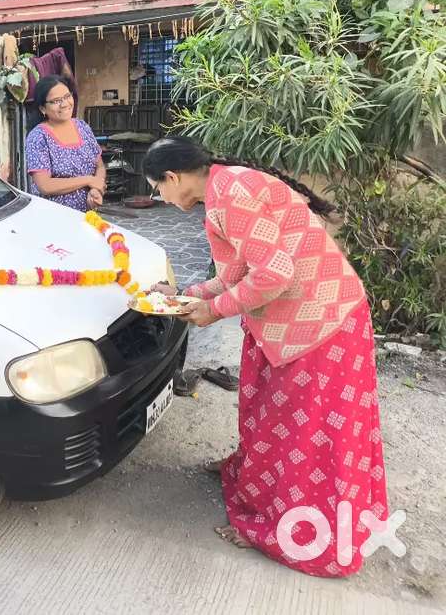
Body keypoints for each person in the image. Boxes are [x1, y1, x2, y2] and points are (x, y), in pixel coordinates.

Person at [142, 136, 387, 578]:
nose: (159, 197)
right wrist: (186, 297)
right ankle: (256, 481)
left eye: (157, 188)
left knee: (304, 433)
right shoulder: (223, 188)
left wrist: (212, 310)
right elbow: (235, 273)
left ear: (173, 178)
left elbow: (274, 274)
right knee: (270, 418)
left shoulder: (231, 196)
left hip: (320, 325)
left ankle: (296, 531)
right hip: (300, 321)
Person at [25, 76, 105, 212]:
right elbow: (45, 186)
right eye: (56, 101)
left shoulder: (83, 127)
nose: (64, 104)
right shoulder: (38, 137)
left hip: (87, 217)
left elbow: (100, 166)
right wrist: (88, 180)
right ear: (43, 108)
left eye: (67, 96)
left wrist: (95, 190)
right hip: (55, 218)